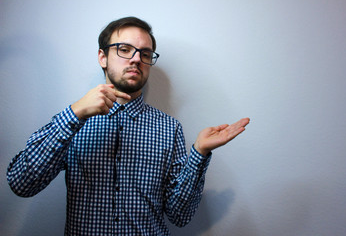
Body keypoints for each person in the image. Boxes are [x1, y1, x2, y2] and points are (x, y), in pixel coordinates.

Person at [7, 16, 250, 235]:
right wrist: (76, 113)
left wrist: (199, 153)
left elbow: (180, 216)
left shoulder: (169, 128)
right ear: (103, 57)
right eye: (124, 49)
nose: (136, 59)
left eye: (145, 54)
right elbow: (21, 183)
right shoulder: (72, 121)